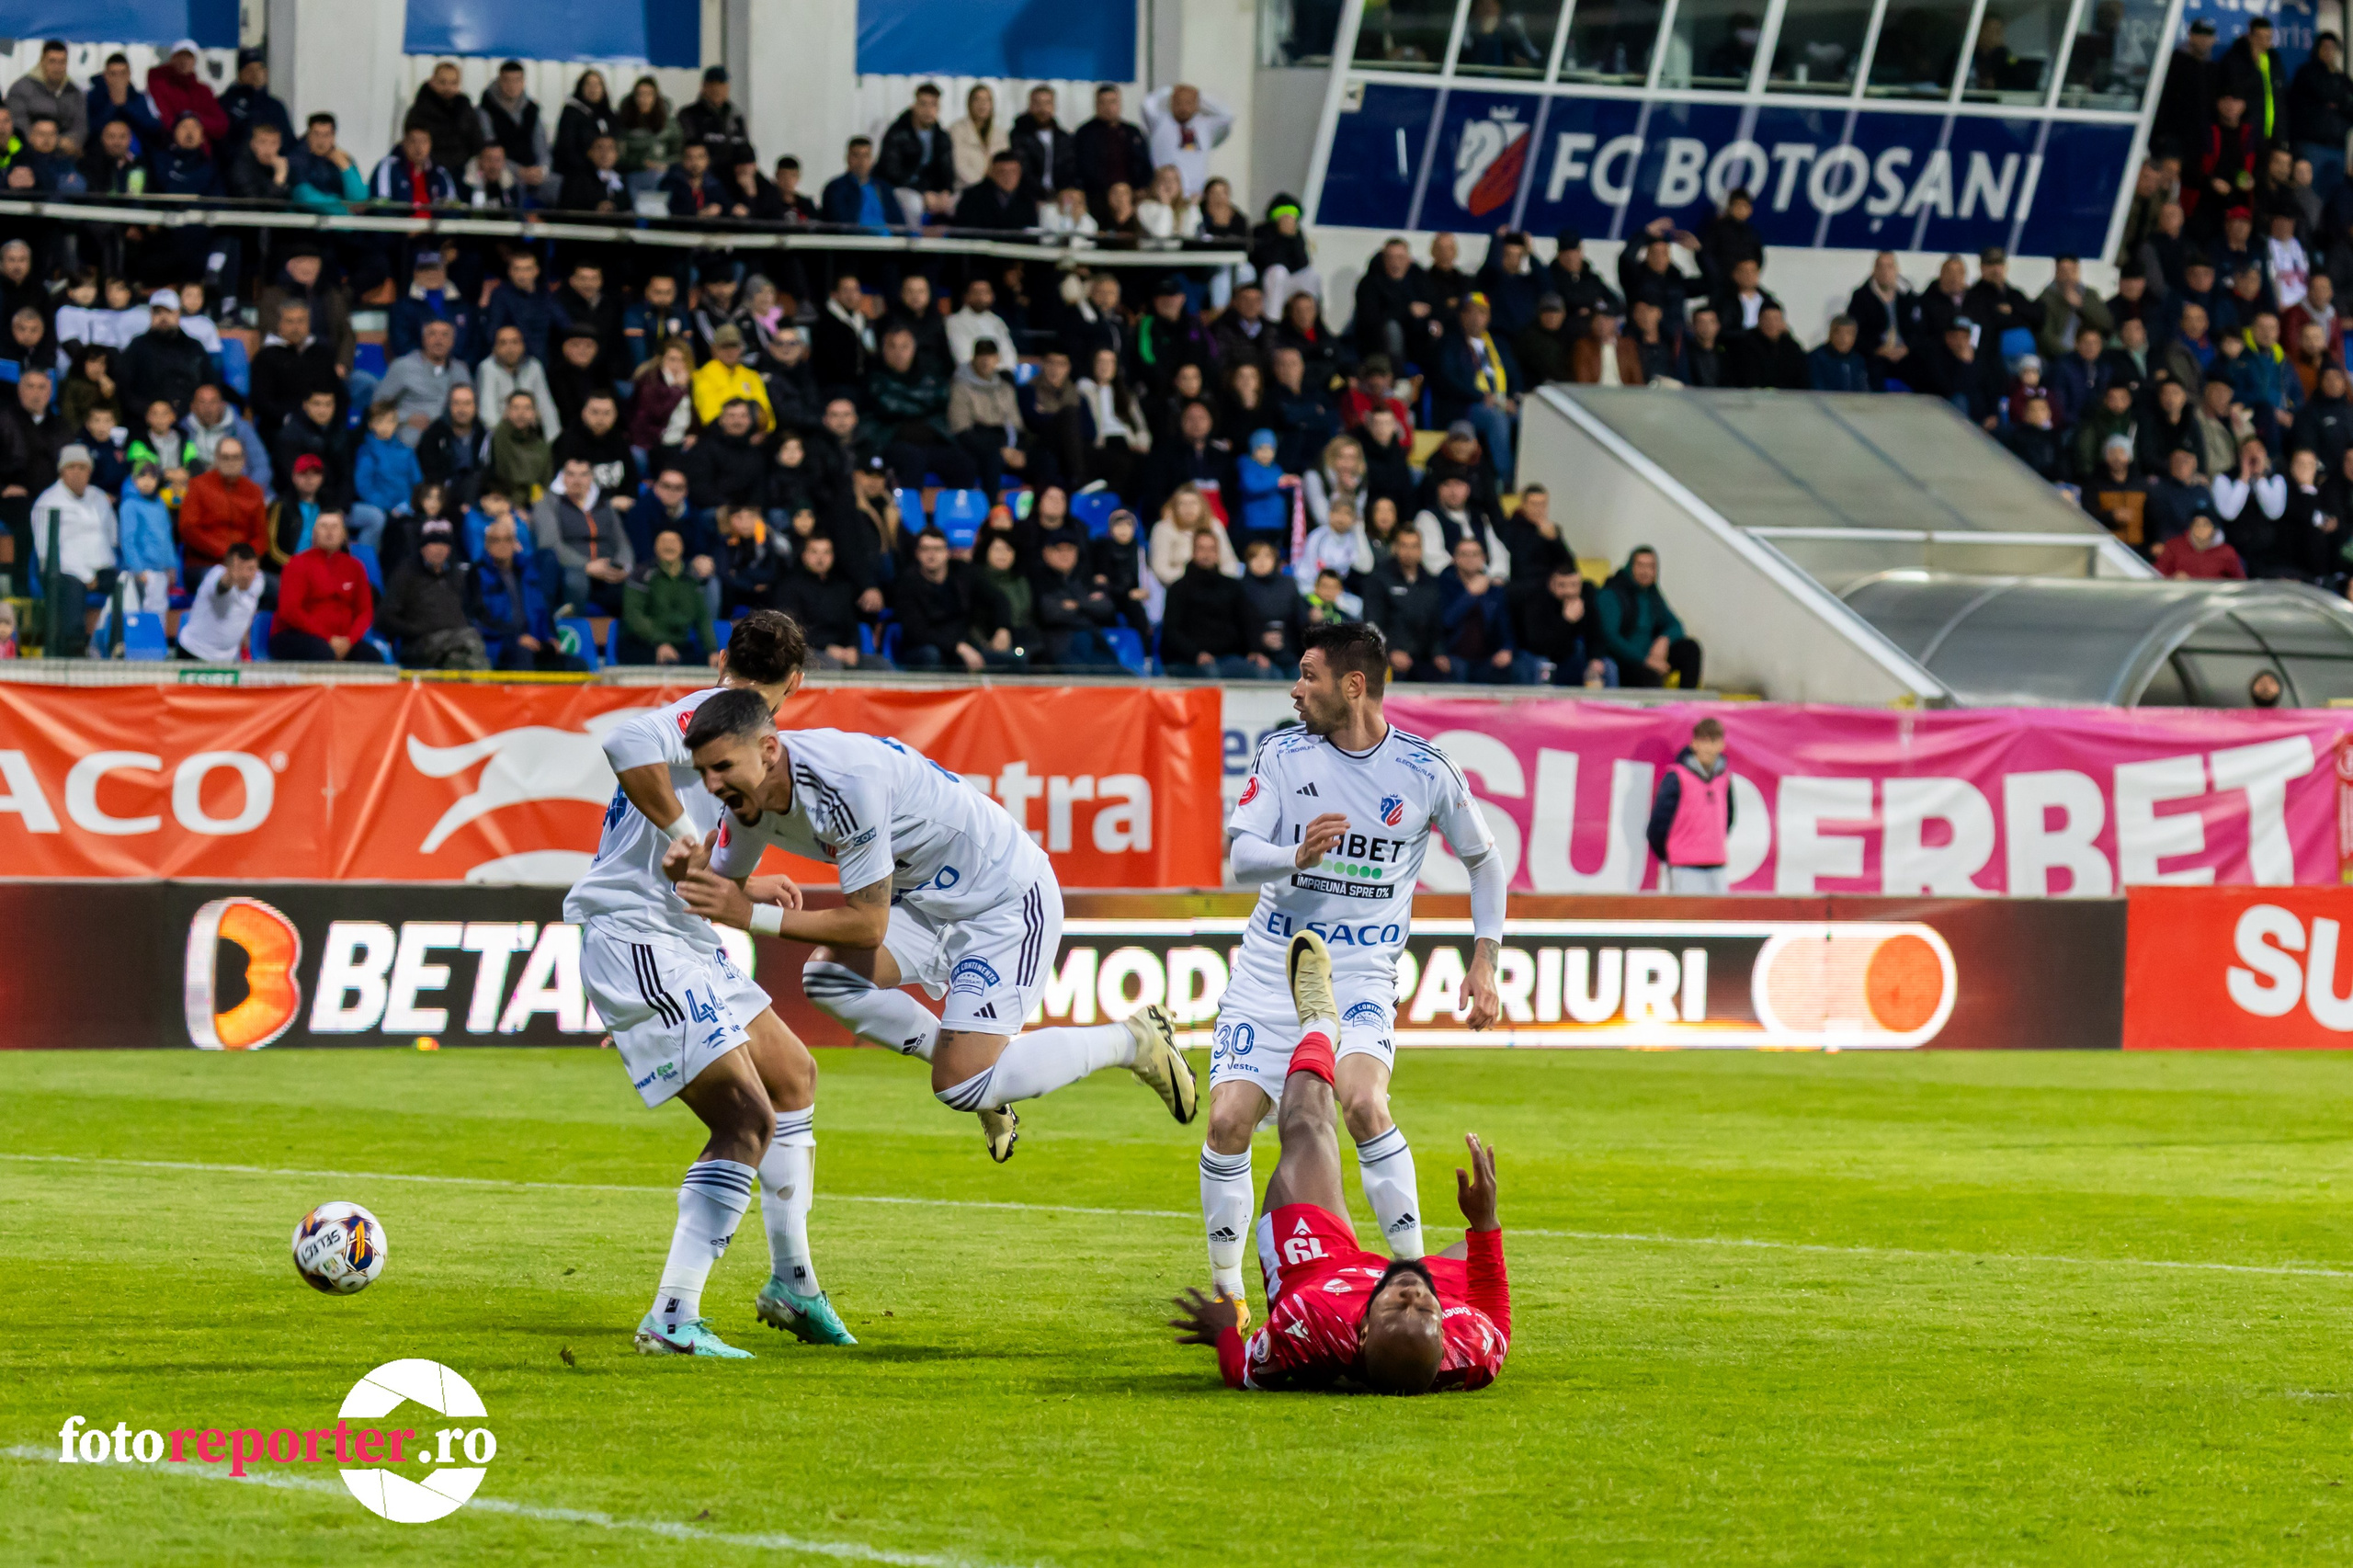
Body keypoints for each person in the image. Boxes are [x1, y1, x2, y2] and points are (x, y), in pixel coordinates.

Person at [672, 686, 1199, 1172]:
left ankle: (1132, 1041)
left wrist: (749, 915)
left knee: (959, 1084)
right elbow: (722, 885)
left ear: (768, 750)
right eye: (704, 772)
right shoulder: (745, 803)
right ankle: (987, 1085)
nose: (713, 785)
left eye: (721, 767)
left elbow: (866, 925)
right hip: (926, 902)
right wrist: (693, 875)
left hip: (1004, 900)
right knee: (829, 979)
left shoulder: (843, 785)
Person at [547, 616, 846, 1355]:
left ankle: (793, 1283)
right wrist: (684, 830)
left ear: (721, 656)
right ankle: (672, 1317)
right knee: (746, 1121)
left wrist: (739, 876)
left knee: (791, 1076)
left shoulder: (736, 733)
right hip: (637, 935)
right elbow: (623, 744)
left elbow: (704, 838)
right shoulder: (719, 714)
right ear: (797, 683)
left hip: (683, 933)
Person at [1197, 623, 1506, 1321]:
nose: (1296, 688)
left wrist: (1484, 959)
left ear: (1353, 685)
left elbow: (1484, 861)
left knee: (1365, 1105)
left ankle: (1418, 1284)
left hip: (1361, 973)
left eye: (1309, 675)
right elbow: (1242, 854)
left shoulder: (1426, 772)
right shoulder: (1282, 754)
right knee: (1226, 1126)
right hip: (1273, 969)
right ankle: (1230, 1296)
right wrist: (1294, 857)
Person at [270, 511, 380, 663]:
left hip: (342, 641)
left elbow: (365, 611)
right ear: (313, 533)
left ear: (343, 534)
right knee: (322, 652)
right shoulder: (297, 564)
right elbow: (290, 611)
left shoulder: (355, 567)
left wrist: (349, 641)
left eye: (335, 527)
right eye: (323, 526)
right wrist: (328, 638)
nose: (329, 531)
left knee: (372, 657)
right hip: (295, 636)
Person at [1645, 718, 1735, 893]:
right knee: (1686, 920)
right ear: (1694, 744)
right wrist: (1673, 854)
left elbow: (1729, 818)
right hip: (1684, 867)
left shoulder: (1724, 779)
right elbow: (1658, 825)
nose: (1708, 748)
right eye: (1703, 741)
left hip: (1717, 864)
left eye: (1713, 741)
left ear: (1722, 745)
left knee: (1719, 919)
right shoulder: (1676, 778)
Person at [1597, 546, 1702, 688]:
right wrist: (1645, 660)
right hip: (1624, 661)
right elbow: (1610, 638)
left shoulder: (1652, 595)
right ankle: (1654, 710)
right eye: (1640, 566)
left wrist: (1664, 639)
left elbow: (1675, 624)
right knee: (1649, 675)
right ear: (1630, 567)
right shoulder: (1612, 594)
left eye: (1651, 567)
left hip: (1651, 657)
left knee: (1690, 648)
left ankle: (1687, 704)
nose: (1646, 572)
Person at [621, 526, 722, 667]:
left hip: (680, 645)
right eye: (663, 541)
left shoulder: (692, 579)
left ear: (682, 546)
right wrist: (660, 642)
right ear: (655, 546)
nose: (669, 546)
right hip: (644, 643)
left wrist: (712, 650)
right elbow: (634, 616)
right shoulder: (641, 575)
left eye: (674, 541)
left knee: (705, 663)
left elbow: (702, 618)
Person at [176, 540, 262, 661]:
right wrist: (230, 578)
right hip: (194, 653)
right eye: (245, 569)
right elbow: (221, 588)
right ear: (230, 567)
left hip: (227, 658)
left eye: (252, 568)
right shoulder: (215, 576)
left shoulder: (258, 580)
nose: (249, 575)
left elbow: (244, 610)